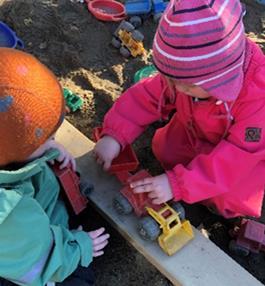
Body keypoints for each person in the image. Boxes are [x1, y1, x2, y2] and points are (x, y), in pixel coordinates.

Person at [93, 0, 265, 219]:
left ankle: (208, 201)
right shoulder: (185, 76)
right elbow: (146, 96)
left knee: (229, 198)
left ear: (221, 80)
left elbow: (236, 158)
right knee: (164, 148)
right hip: (195, 131)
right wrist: (114, 135)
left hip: (240, 159)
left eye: (187, 84)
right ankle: (190, 181)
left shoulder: (257, 100)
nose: (177, 88)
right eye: (171, 79)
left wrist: (177, 184)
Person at [0, 48, 109, 286]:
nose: (54, 142)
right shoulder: (8, 213)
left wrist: (45, 150)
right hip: (19, 264)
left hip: (24, 236)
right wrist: (79, 247)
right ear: (15, 153)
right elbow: (38, 262)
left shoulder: (8, 154)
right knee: (79, 277)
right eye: (48, 138)